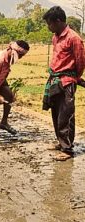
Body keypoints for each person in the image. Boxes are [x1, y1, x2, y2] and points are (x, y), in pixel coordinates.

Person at [42, 6, 85, 161]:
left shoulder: (73, 38)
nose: (48, 27)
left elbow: (80, 62)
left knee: (65, 116)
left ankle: (67, 149)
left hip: (67, 81)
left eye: (50, 23)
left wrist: (74, 78)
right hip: (55, 80)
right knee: (56, 113)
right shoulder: (55, 37)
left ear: (58, 21)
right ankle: (61, 142)